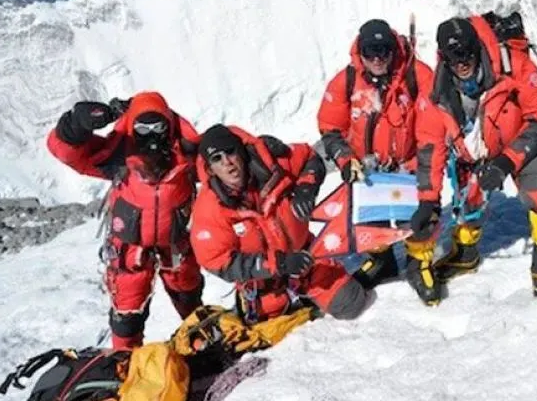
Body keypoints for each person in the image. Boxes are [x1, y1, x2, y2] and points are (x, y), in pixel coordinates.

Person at [410, 12, 537, 307]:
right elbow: (430, 148)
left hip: (519, 143)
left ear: (477, 47)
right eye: (453, 55)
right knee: (466, 200)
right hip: (474, 152)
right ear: (443, 57)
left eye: (466, 52)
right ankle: (465, 253)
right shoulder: (436, 92)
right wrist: (427, 200)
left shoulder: (512, 65)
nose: (462, 61)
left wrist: (506, 162)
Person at [46, 91, 204, 349]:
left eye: (158, 127)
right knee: (127, 317)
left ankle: (200, 346)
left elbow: (226, 159)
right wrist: (74, 126)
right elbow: (65, 152)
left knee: (190, 299)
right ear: (132, 127)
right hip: (130, 249)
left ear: (169, 125)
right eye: (143, 127)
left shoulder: (186, 156)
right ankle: (124, 362)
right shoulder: (117, 156)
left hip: (176, 245)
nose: (151, 134)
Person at [188, 124, 368, 323]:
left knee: (352, 303)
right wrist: (278, 263)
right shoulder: (209, 208)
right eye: (217, 159)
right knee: (278, 343)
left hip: (307, 258)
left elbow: (310, 156)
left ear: (240, 151)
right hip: (264, 287)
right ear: (210, 169)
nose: (227, 163)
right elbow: (217, 261)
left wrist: (305, 188)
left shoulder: (272, 164)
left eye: (230, 152)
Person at [316, 18, 435, 292]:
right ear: (360, 53)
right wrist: (346, 161)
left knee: (420, 215)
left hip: (410, 167)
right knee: (372, 218)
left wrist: (424, 163)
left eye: (385, 51)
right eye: (371, 52)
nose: (378, 59)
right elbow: (330, 128)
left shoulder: (416, 76)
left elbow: (434, 123)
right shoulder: (346, 81)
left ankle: (420, 263)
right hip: (367, 170)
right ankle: (382, 260)